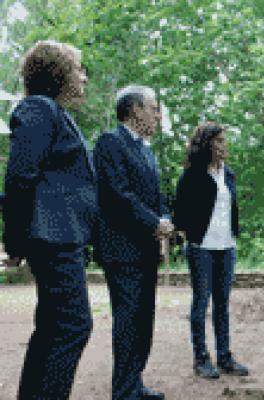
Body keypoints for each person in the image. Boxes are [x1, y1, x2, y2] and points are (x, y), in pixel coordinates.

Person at [3, 40, 97, 399]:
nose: (83, 77)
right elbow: (20, 178)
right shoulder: (39, 109)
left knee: (52, 327)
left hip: (62, 237)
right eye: (77, 69)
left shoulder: (56, 114)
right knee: (73, 326)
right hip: (53, 239)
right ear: (57, 74)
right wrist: (14, 241)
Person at [93, 85, 173, 400]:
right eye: (154, 108)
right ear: (135, 109)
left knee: (143, 319)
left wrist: (164, 218)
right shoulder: (110, 143)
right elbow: (117, 194)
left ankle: (134, 384)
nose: (158, 114)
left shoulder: (147, 149)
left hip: (146, 249)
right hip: (122, 250)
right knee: (127, 321)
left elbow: (157, 195)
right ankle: (124, 391)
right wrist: (154, 222)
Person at [173, 122, 248, 379]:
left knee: (222, 305)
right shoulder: (192, 174)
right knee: (201, 303)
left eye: (224, 141)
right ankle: (201, 358)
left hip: (226, 247)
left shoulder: (230, 174)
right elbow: (179, 213)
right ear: (207, 144)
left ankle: (225, 357)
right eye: (219, 141)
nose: (224, 146)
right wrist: (192, 235)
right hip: (201, 248)